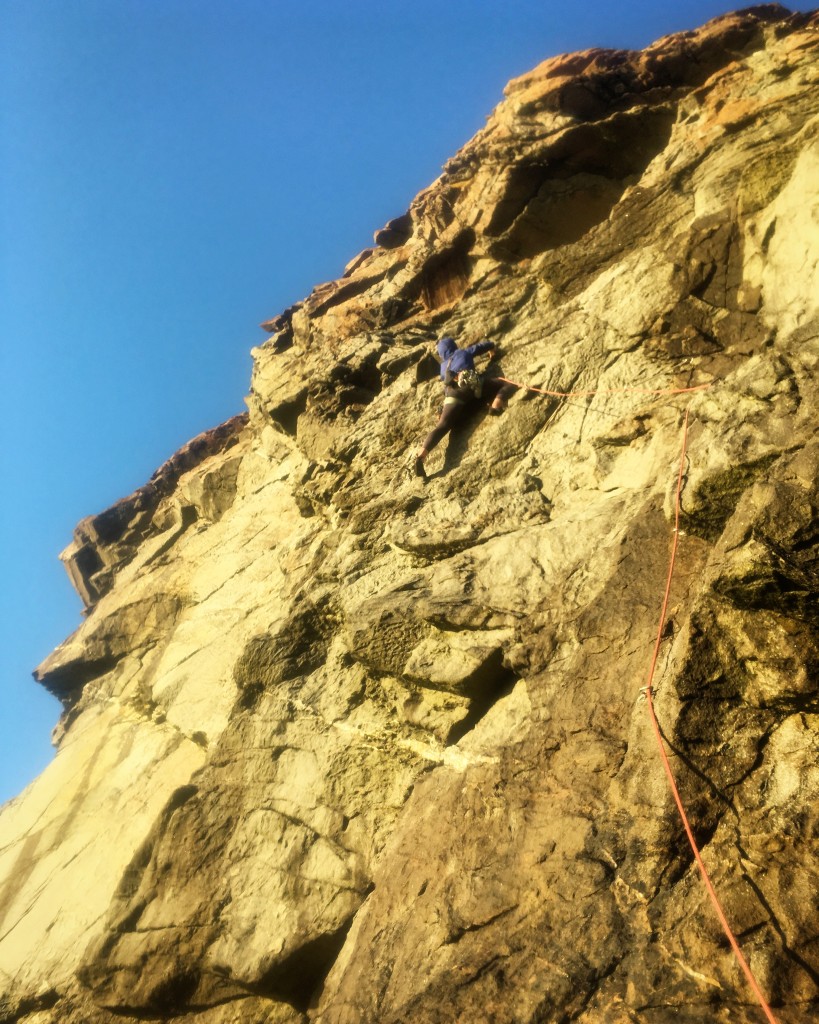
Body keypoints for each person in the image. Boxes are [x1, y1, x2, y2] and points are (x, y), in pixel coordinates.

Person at [414, 335, 515, 478]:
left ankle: (421, 455)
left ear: (442, 353)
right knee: (507, 384)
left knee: (443, 425)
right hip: (472, 387)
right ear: (453, 346)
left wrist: (444, 409)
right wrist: (492, 350)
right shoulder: (462, 352)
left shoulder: (443, 367)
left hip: (453, 395)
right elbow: (481, 347)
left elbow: (446, 387)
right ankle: (496, 405)